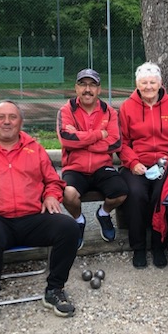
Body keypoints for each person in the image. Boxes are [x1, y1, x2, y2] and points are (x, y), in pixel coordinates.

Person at [0, 101, 79, 327]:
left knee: (68, 227)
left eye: (12, 117)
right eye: (1, 117)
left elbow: (53, 180)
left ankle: (55, 289)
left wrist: (51, 196)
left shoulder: (34, 147)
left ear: (21, 122)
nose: (7, 122)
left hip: (32, 217)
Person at [118, 62, 168, 268]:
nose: (148, 86)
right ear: (137, 84)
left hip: (165, 166)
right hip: (137, 165)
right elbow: (122, 143)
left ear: (160, 83)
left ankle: (159, 246)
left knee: (163, 195)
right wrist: (133, 163)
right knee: (135, 194)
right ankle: (138, 247)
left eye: (152, 82)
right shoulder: (127, 107)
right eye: (144, 83)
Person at [57, 69, 128, 249]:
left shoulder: (110, 112)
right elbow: (66, 139)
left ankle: (104, 214)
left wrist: (82, 140)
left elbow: (116, 143)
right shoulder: (66, 110)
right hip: (75, 167)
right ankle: (79, 220)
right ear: (76, 88)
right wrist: (98, 135)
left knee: (121, 192)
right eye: (83, 84)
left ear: (99, 89)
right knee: (67, 193)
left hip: (102, 167)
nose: (87, 89)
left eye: (92, 85)